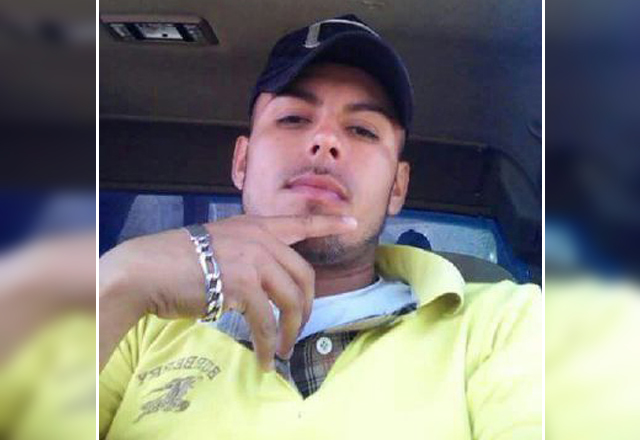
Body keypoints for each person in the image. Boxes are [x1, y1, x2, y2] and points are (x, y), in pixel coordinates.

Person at [99, 14, 541, 439]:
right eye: (293, 118)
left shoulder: (503, 322)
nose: (325, 140)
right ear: (242, 162)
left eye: (363, 130)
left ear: (397, 187)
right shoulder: (139, 321)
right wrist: (119, 277)